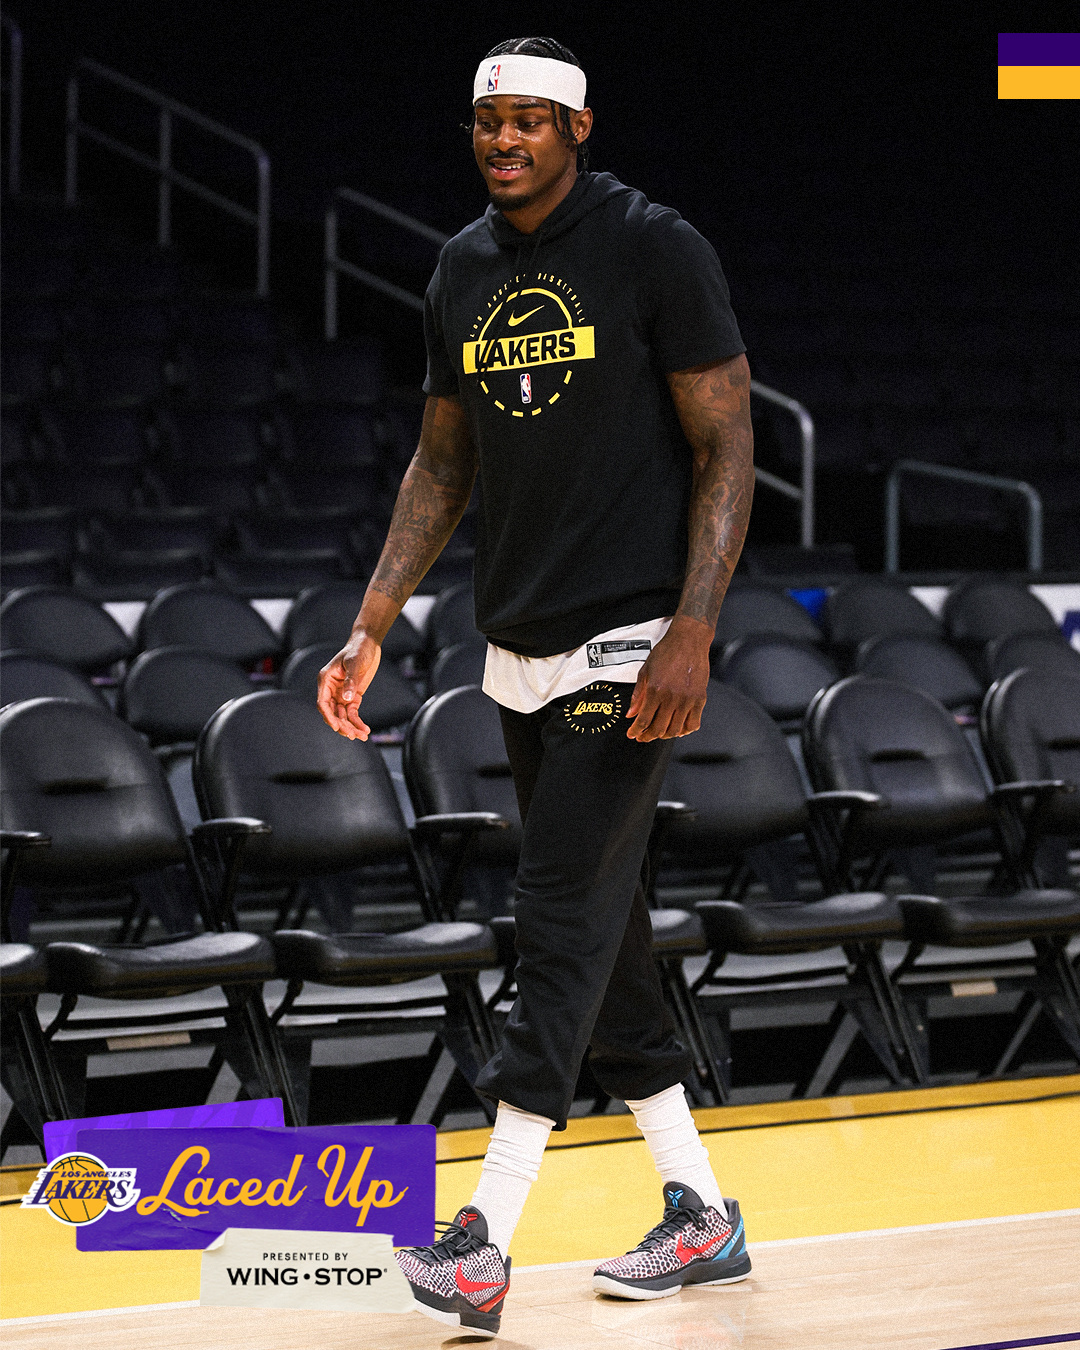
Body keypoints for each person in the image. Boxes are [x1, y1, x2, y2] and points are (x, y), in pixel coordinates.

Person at [317, 34, 755, 1340]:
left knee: (557, 911)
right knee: (607, 936)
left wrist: (693, 626)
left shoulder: (654, 246)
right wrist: (372, 623)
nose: (502, 139)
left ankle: (482, 1237)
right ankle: (700, 1211)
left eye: (528, 120)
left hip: (634, 639)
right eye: (485, 120)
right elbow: (440, 464)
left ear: (578, 129)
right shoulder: (460, 267)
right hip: (519, 643)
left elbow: (727, 441)